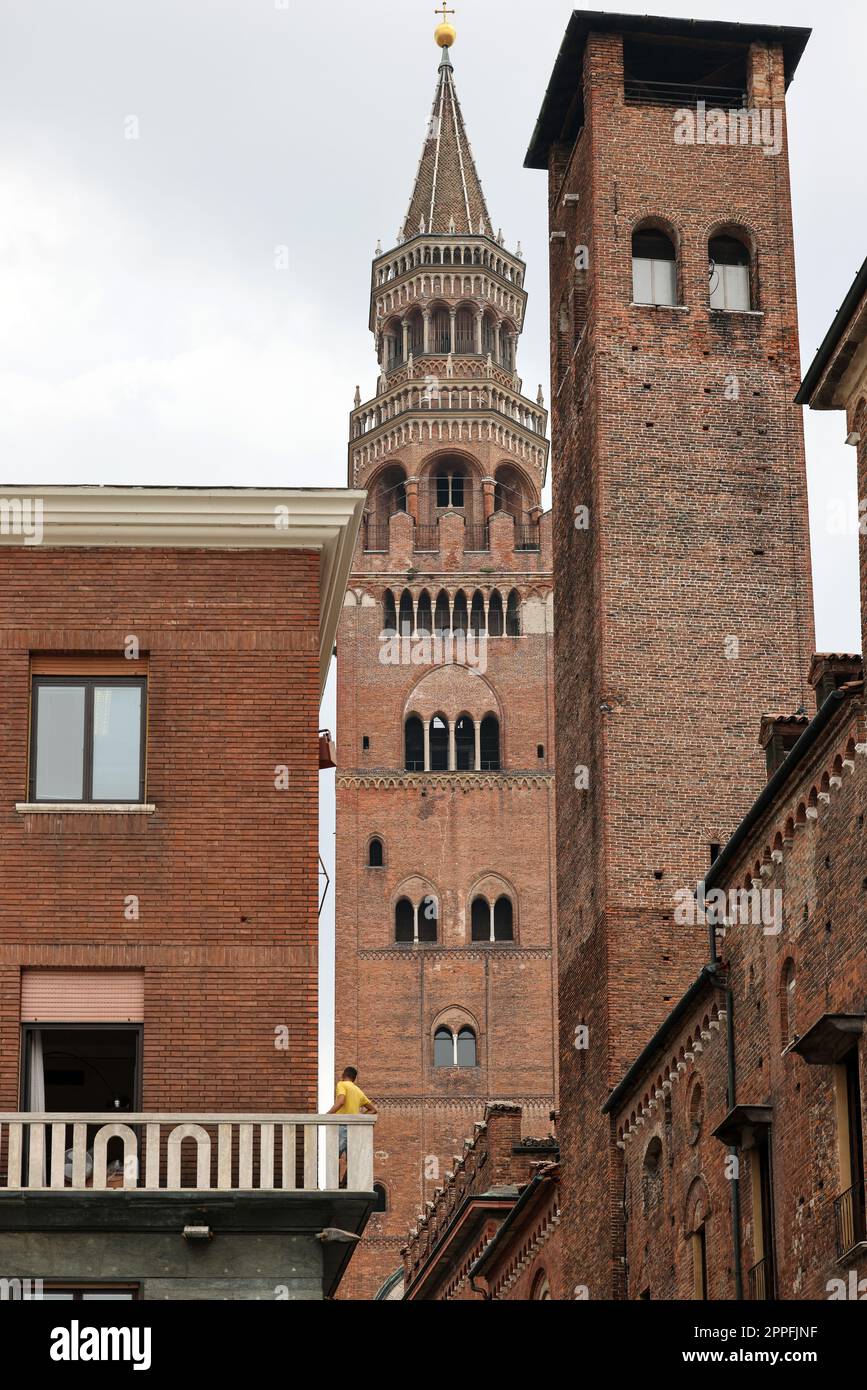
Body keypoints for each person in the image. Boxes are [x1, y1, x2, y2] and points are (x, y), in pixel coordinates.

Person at [327, 1066, 377, 1184]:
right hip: (354, 1129)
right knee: (352, 1159)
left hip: (342, 1125)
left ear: (344, 1075)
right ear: (354, 1079)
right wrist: (360, 1117)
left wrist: (327, 1115)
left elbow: (341, 1102)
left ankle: (336, 1183)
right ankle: (344, 1183)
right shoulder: (358, 1091)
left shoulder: (342, 1084)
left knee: (334, 1155)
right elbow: (373, 1110)